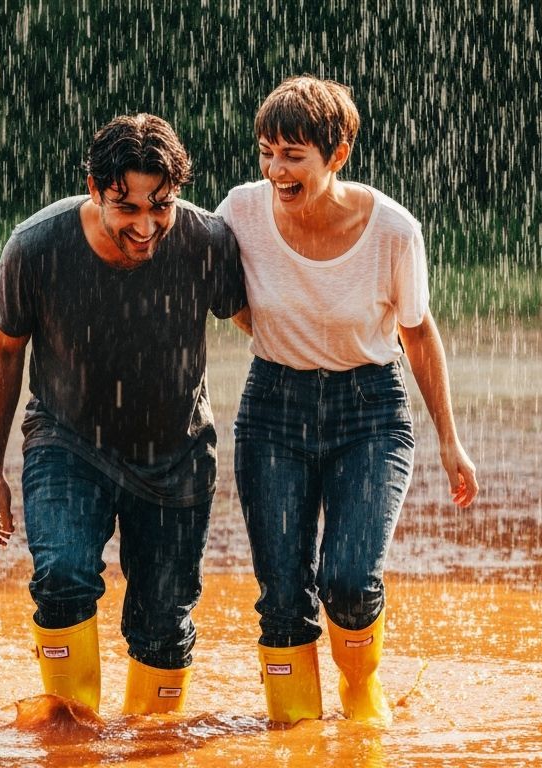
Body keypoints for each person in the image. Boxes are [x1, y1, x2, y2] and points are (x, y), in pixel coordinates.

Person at [215, 76, 479, 726]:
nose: (276, 169)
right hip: (273, 407)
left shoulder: (393, 230)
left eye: (293, 154)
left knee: (350, 579)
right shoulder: (239, 213)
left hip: (370, 414)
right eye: (267, 151)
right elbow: (217, 294)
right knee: (282, 591)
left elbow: (417, 333)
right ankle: (295, 731)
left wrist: (449, 438)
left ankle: (361, 693)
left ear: (336, 156)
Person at [0, 114, 246, 716]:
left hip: (176, 453)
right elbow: (2, 350)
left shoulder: (206, 241)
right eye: (129, 209)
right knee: (63, 578)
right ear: (96, 189)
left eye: (162, 206)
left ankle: (153, 747)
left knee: (164, 620)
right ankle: (70, 738)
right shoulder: (38, 245)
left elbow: (261, 322)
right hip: (69, 442)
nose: (148, 226)